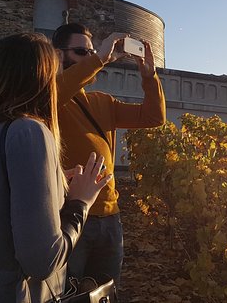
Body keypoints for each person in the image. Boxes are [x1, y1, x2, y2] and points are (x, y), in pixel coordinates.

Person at [0, 33, 111, 303]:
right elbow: (43, 261)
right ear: (42, 81)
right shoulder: (27, 132)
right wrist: (80, 202)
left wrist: (52, 183)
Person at [52, 23, 166, 286]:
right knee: (65, 293)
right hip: (70, 216)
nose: (91, 56)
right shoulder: (48, 97)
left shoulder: (102, 101)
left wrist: (149, 77)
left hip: (110, 218)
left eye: (92, 51)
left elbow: (153, 117)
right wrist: (101, 57)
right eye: (82, 52)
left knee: (104, 293)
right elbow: (55, 91)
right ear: (58, 55)